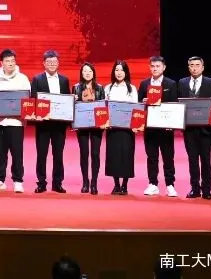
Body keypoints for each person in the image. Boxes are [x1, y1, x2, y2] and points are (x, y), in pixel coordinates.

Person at [0, 48, 30, 193]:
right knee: (0, 152)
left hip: (16, 123)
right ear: (2, 63)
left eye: (13, 60)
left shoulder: (23, 79)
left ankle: (18, 181)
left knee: (17, 153)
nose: (11, 63)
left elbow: (28, 100)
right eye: (7, 61)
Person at [177, 56, 211, 199]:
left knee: (206, 160)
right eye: (192, 65)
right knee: (192, 159)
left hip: (206, 129)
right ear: (188, 67)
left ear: (203, 67)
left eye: (197, 65)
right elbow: (178, 104)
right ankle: (195, 188)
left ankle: (206, 190)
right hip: (189, 129)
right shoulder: (182, 82)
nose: (194, 68)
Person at [138, 55, 177, 197]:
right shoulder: (144, 84)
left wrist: (172, 124)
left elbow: (174, 105)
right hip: (150, 127)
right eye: (152, 66)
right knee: (152, 157)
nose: (155, 69)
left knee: (168, 157)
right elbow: (139, 105)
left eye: (158, 66)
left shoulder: (171, 84)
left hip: (166, 127)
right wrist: (143, 102)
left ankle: (170, 185)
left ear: (164, 67)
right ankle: (153, 184)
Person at [30, 49, 69, 194]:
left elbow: (67, 101)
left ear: (58, 63)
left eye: (54, 62)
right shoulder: (37, 79)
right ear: (44, 63)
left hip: (59, 125)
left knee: (58, 155)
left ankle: (57, 183)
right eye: (49, 62)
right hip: (43, 125)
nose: (52, 64)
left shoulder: (64, 80)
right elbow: (33, 100)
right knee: (42, 155)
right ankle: (41, 183)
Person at [105, 59, 138, 195]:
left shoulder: (132, 89)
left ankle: (125, 185)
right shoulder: (108, 88)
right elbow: (104, 107)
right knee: (113, 156)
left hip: (127, 129)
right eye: (117, 70)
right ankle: (116, 185)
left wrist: (136, 125)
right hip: (112, 128)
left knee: (126, 156)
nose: (119, 73)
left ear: (126, 72)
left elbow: (136, 109)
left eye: (122, 70)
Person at [73, 61, 105, 194]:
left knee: (95, 154)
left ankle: (94, 183)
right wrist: (73, 100)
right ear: (81, 73)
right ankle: (85, 182)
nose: (87, 73)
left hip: (96, 125)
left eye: (90, 71)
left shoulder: (100, 88)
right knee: (84, 153)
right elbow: (73, 107)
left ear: (93, 73)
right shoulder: (76, 88)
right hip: (82, 125)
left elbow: (103, 106)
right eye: (85, 71)